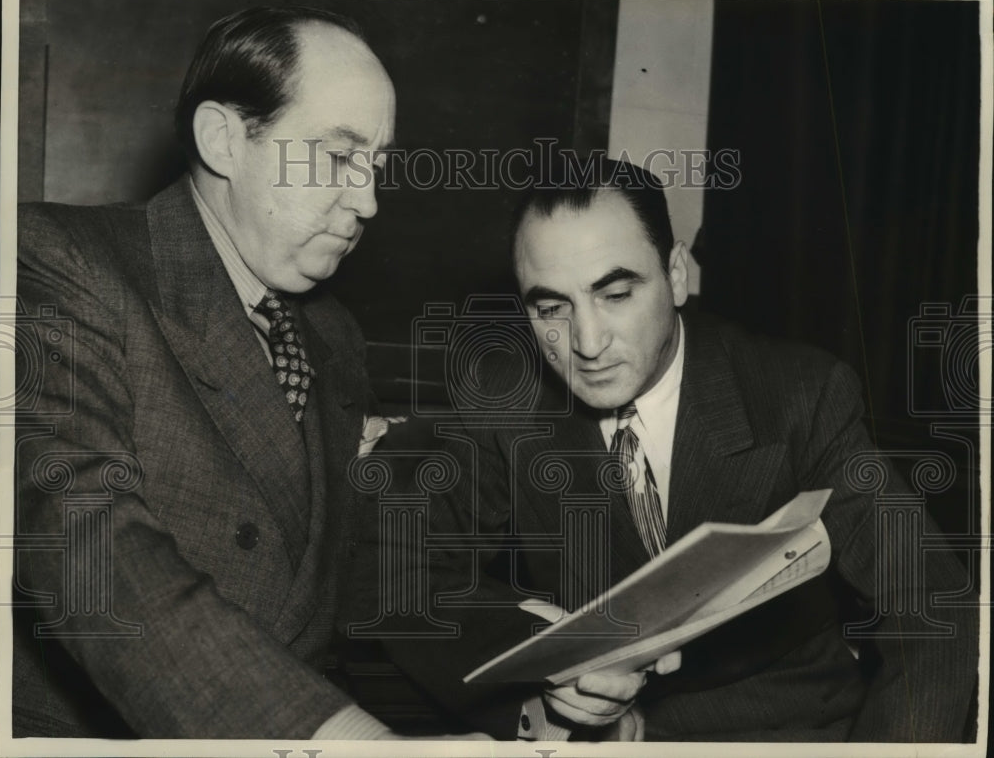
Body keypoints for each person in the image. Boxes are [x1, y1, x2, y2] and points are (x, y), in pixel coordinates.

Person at [368, 158, 979, 741]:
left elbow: (931, 601)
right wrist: (544, 664)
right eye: (551, 306)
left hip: (785, 729)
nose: (587, 343)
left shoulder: (798, 395)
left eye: (616, 294)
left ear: (677, 275)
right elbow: (403, 573)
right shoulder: (506, 400)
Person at [11, 6, 429, 739]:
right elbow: (86, 546)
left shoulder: (333, 332)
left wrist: (526, 653)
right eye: (338, 158)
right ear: (223, 140)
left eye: (379, 168)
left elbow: (330, 583)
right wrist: (335, 736)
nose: (367, 202)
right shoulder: (62, 260)